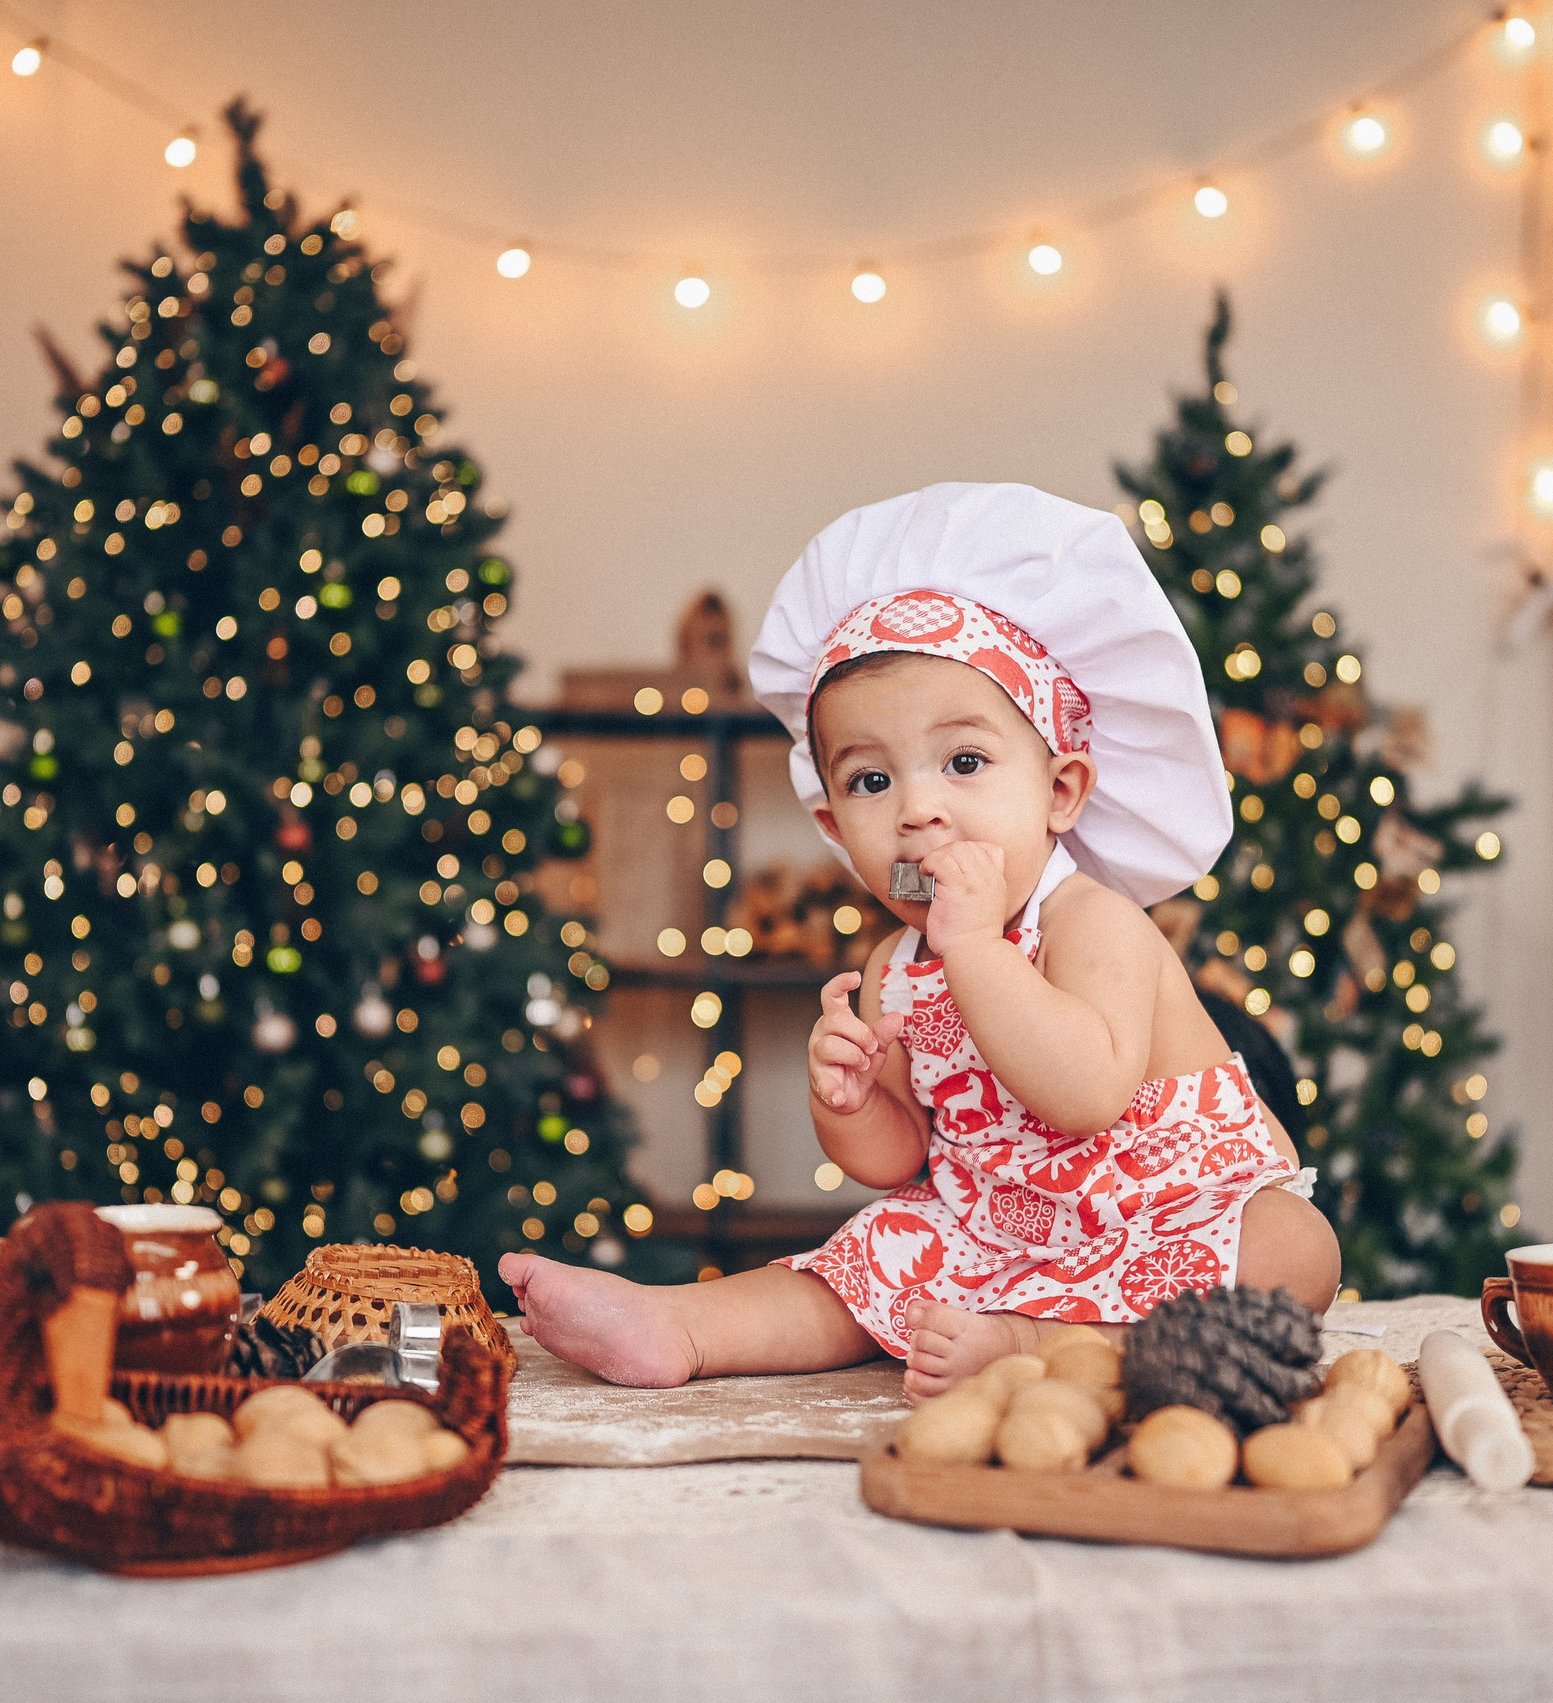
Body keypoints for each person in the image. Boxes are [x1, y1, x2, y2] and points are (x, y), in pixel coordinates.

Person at [503, 483, 1340, 1397]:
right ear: (833, 823)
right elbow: (897, 1158)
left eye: (965, 762)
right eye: (870, 781)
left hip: (1162, 1215)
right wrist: (850, 1098)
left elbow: (1086, 1095)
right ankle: (683, 1325)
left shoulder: (1094, 919)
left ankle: (1043, 1341)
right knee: (868, 1249)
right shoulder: (894, 970)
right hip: (998, 1226)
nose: (917, 808)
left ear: (1060, 792)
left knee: (1293, 1248)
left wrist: (976, 947)